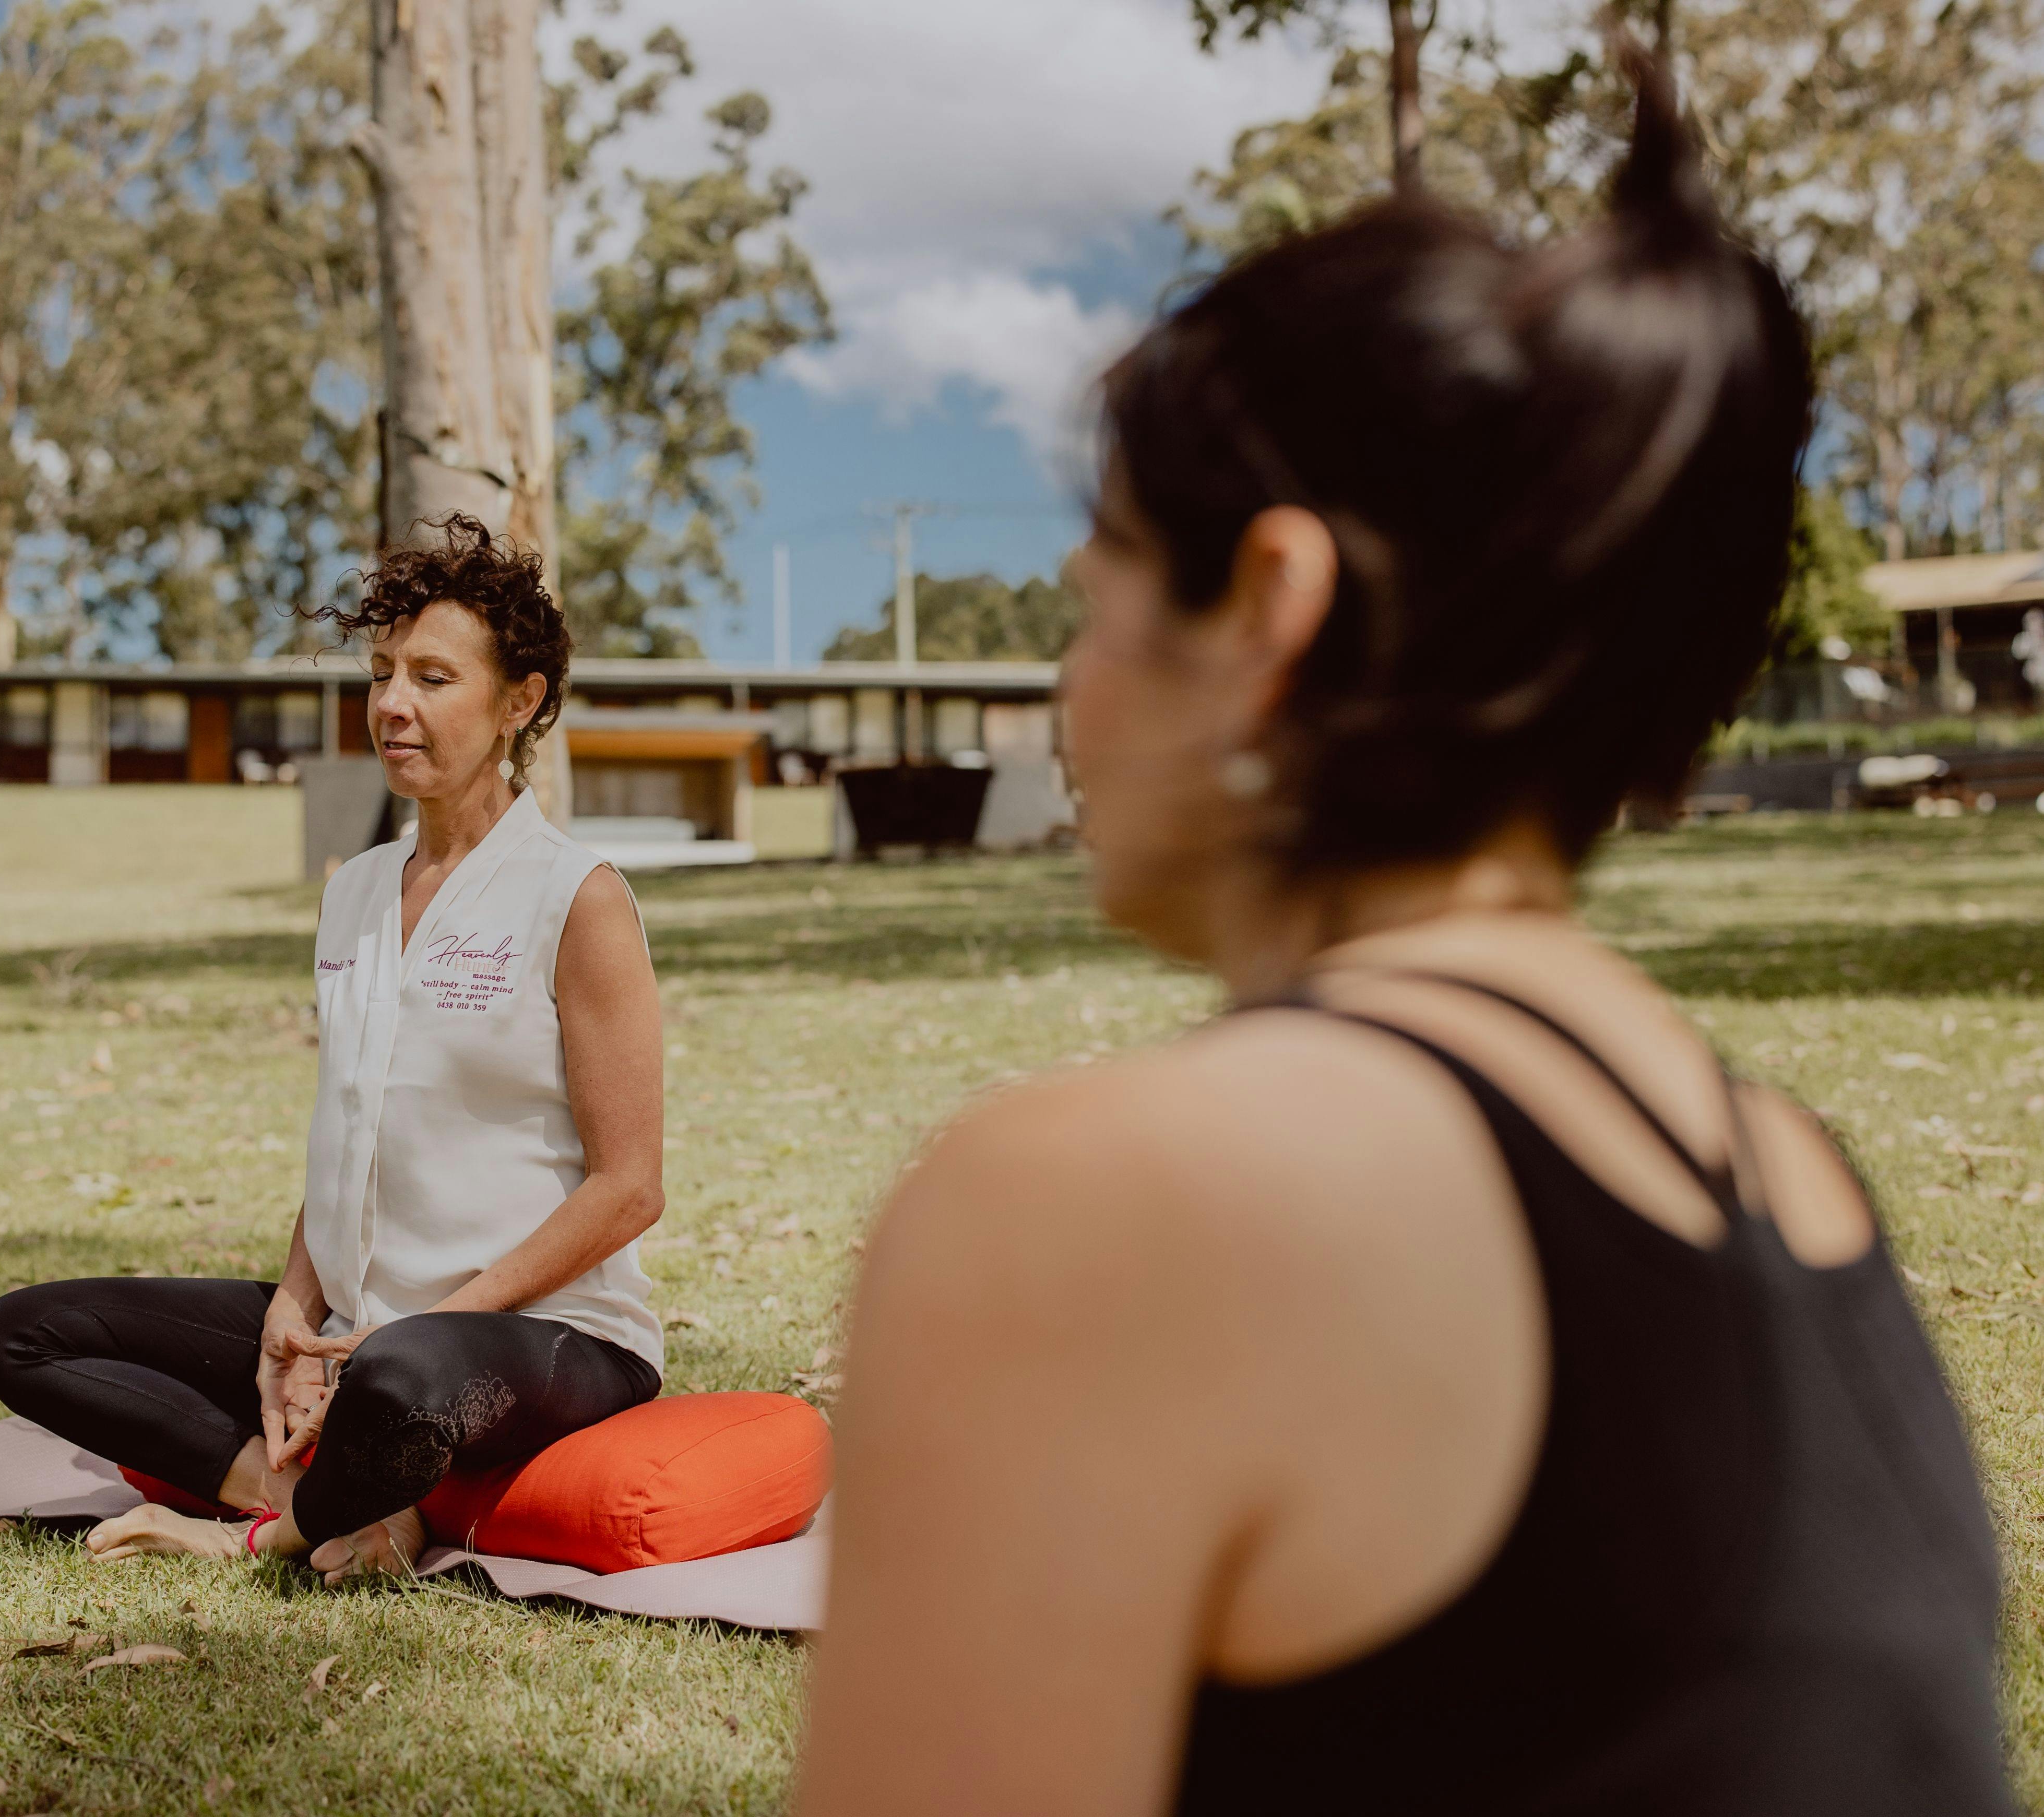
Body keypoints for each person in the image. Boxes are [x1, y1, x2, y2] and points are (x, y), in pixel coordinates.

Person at [797, 54, 2013, 1817]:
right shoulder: (1790, 1179)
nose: (1071, 689)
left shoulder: (1109, 1205)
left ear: (1268, 608)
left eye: (1099, 587)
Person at [0, 516, 665, 1585]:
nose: (393, 704)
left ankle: (255, 1533)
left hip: (538, 1335)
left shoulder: (578, 899)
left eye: (433, 677)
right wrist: (294, 1315)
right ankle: (291, 1488)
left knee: (401, 1374)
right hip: (360, 1327)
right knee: (25, 1332)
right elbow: (354, 1126)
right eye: (383, 673)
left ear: (518, 700)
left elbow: (629, 1190)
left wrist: (426, 1322)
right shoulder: (353, 891)